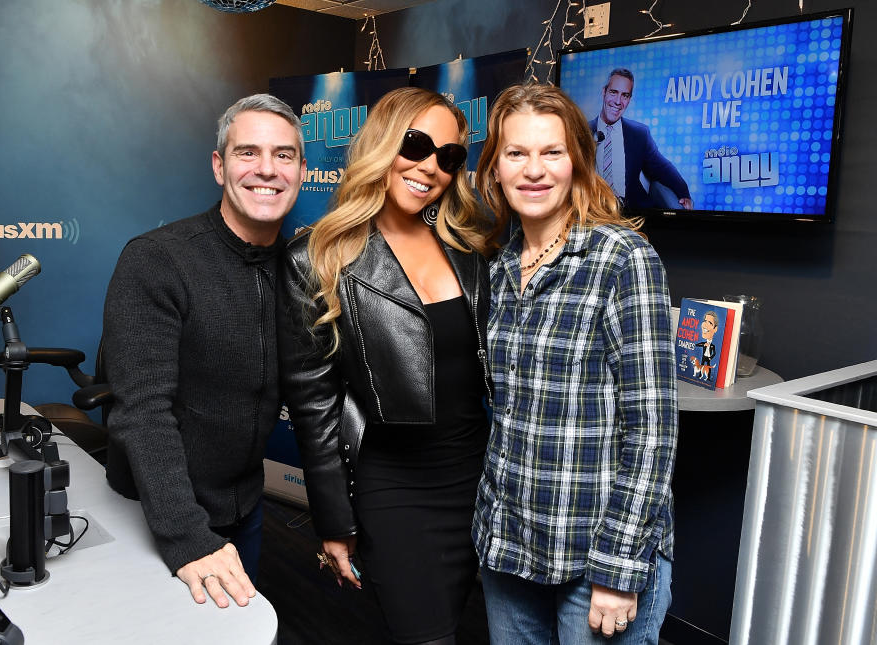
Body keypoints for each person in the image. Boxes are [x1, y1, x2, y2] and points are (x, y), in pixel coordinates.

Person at [277, 86, 493, 644]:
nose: (430, 168)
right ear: (381, 143)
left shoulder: (472, 249)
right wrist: (334, 522)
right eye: (416, 145)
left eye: (448, 157)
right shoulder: (318, 258)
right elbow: (314, 407)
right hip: (397, 491)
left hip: (484, 484)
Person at [473, 83, 678, 644]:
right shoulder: (497, 266)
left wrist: (618, 568)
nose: (534, 170)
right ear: (494, 168)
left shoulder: (622, 259)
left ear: (578, 162)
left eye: (552, 153)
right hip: (511, 548)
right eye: (516, 153)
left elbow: (653, 431)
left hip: (597, 561)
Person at [102, 94, 305, 608]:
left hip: (246, 507)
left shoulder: (301, 267)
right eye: (247, 153)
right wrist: (187, 537)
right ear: (219, 166)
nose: (267, 169)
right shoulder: (157, 259)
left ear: (302, 170)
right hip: (161, 514)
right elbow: (143, 412)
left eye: (284, 155)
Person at [590, 68, 693, 211]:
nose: (618, 101)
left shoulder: (639, 133)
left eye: (625, 95)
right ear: (604, 92)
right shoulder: (582, 132)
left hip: (633, 215)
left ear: (629, 99)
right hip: (595, 214)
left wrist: (684, 194)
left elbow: (661, 167)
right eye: (614, 92)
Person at [695, 310, 719, 380]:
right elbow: (697, 344)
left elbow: (714, 353)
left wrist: (710, 358)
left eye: (710, 323)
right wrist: (703, 344)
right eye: (705, 321)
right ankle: (699, 375)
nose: (705, 325)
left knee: (708, 366)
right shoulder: (704, 343)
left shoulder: (713, 346)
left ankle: (708, 377)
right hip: (704, 357)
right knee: (701, 366)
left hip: (708, 357)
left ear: (715, 329)